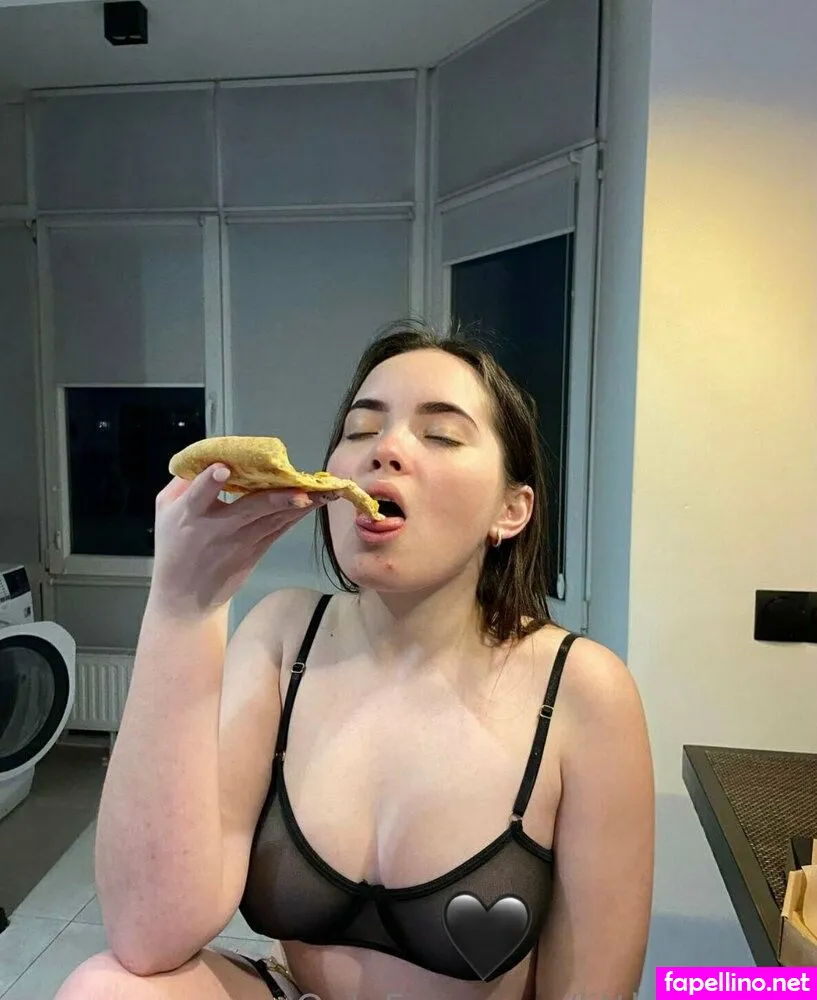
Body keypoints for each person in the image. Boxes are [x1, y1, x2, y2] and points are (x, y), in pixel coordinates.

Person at [55, 320, 655, 1000]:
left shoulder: (580, 690)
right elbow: (148, 934)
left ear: (510, 511)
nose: (385, 449)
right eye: (361, 429)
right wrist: (182, 607)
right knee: (104, 987)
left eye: (440, 434)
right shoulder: (283, 636)